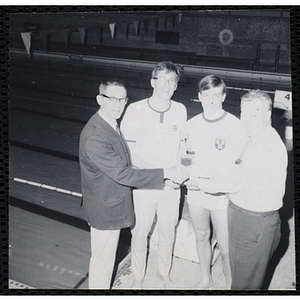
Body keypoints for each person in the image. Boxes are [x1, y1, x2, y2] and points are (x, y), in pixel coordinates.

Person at [79, 79, 188, 289]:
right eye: (112, 99)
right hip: (104, 209)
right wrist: (165, 173)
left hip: (111, 203)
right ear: (99, 99)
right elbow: (123, 173)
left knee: (106, 260)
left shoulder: (110, 123)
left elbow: (126, 159)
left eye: (122, 99)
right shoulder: (95, 135)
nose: (118, 104)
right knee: (102, 263)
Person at [189, 90, 288, 289]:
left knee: (244, 284)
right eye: (244, 114)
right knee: (245, 277)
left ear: (267, 115)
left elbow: (233, 182)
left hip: (253, 225)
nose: (247, 120)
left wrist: (200, 182)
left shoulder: (266, 145)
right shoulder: (256, 138)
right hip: (247, 220)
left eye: (254, 114)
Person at [121, 61, 187, 288]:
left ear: (176, 85)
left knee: (168, 232)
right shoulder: (136, 109)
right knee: (140, 233)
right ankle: (138, 276)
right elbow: (128, 151)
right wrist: (159, 174)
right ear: (153, 81)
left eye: (173, 80)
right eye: (163, 79)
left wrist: (181, 169)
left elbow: (182, 147)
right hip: (145, 184)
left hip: (171, 187)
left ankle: (163, 273)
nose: (168, 85)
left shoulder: (180, 110)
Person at [183, 75, 248, 289]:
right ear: (199, 97)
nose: (211, 100)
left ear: (223, 96)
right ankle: (205, 277)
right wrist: (185, 172)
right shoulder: (191, 125)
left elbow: (241, 165)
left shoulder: (235, 125)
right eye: (207, 95)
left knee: (227, 246)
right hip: (196, 194)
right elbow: (185, 157)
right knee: (201, 236)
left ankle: (230, 283)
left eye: (216, 95)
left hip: (222, 196)